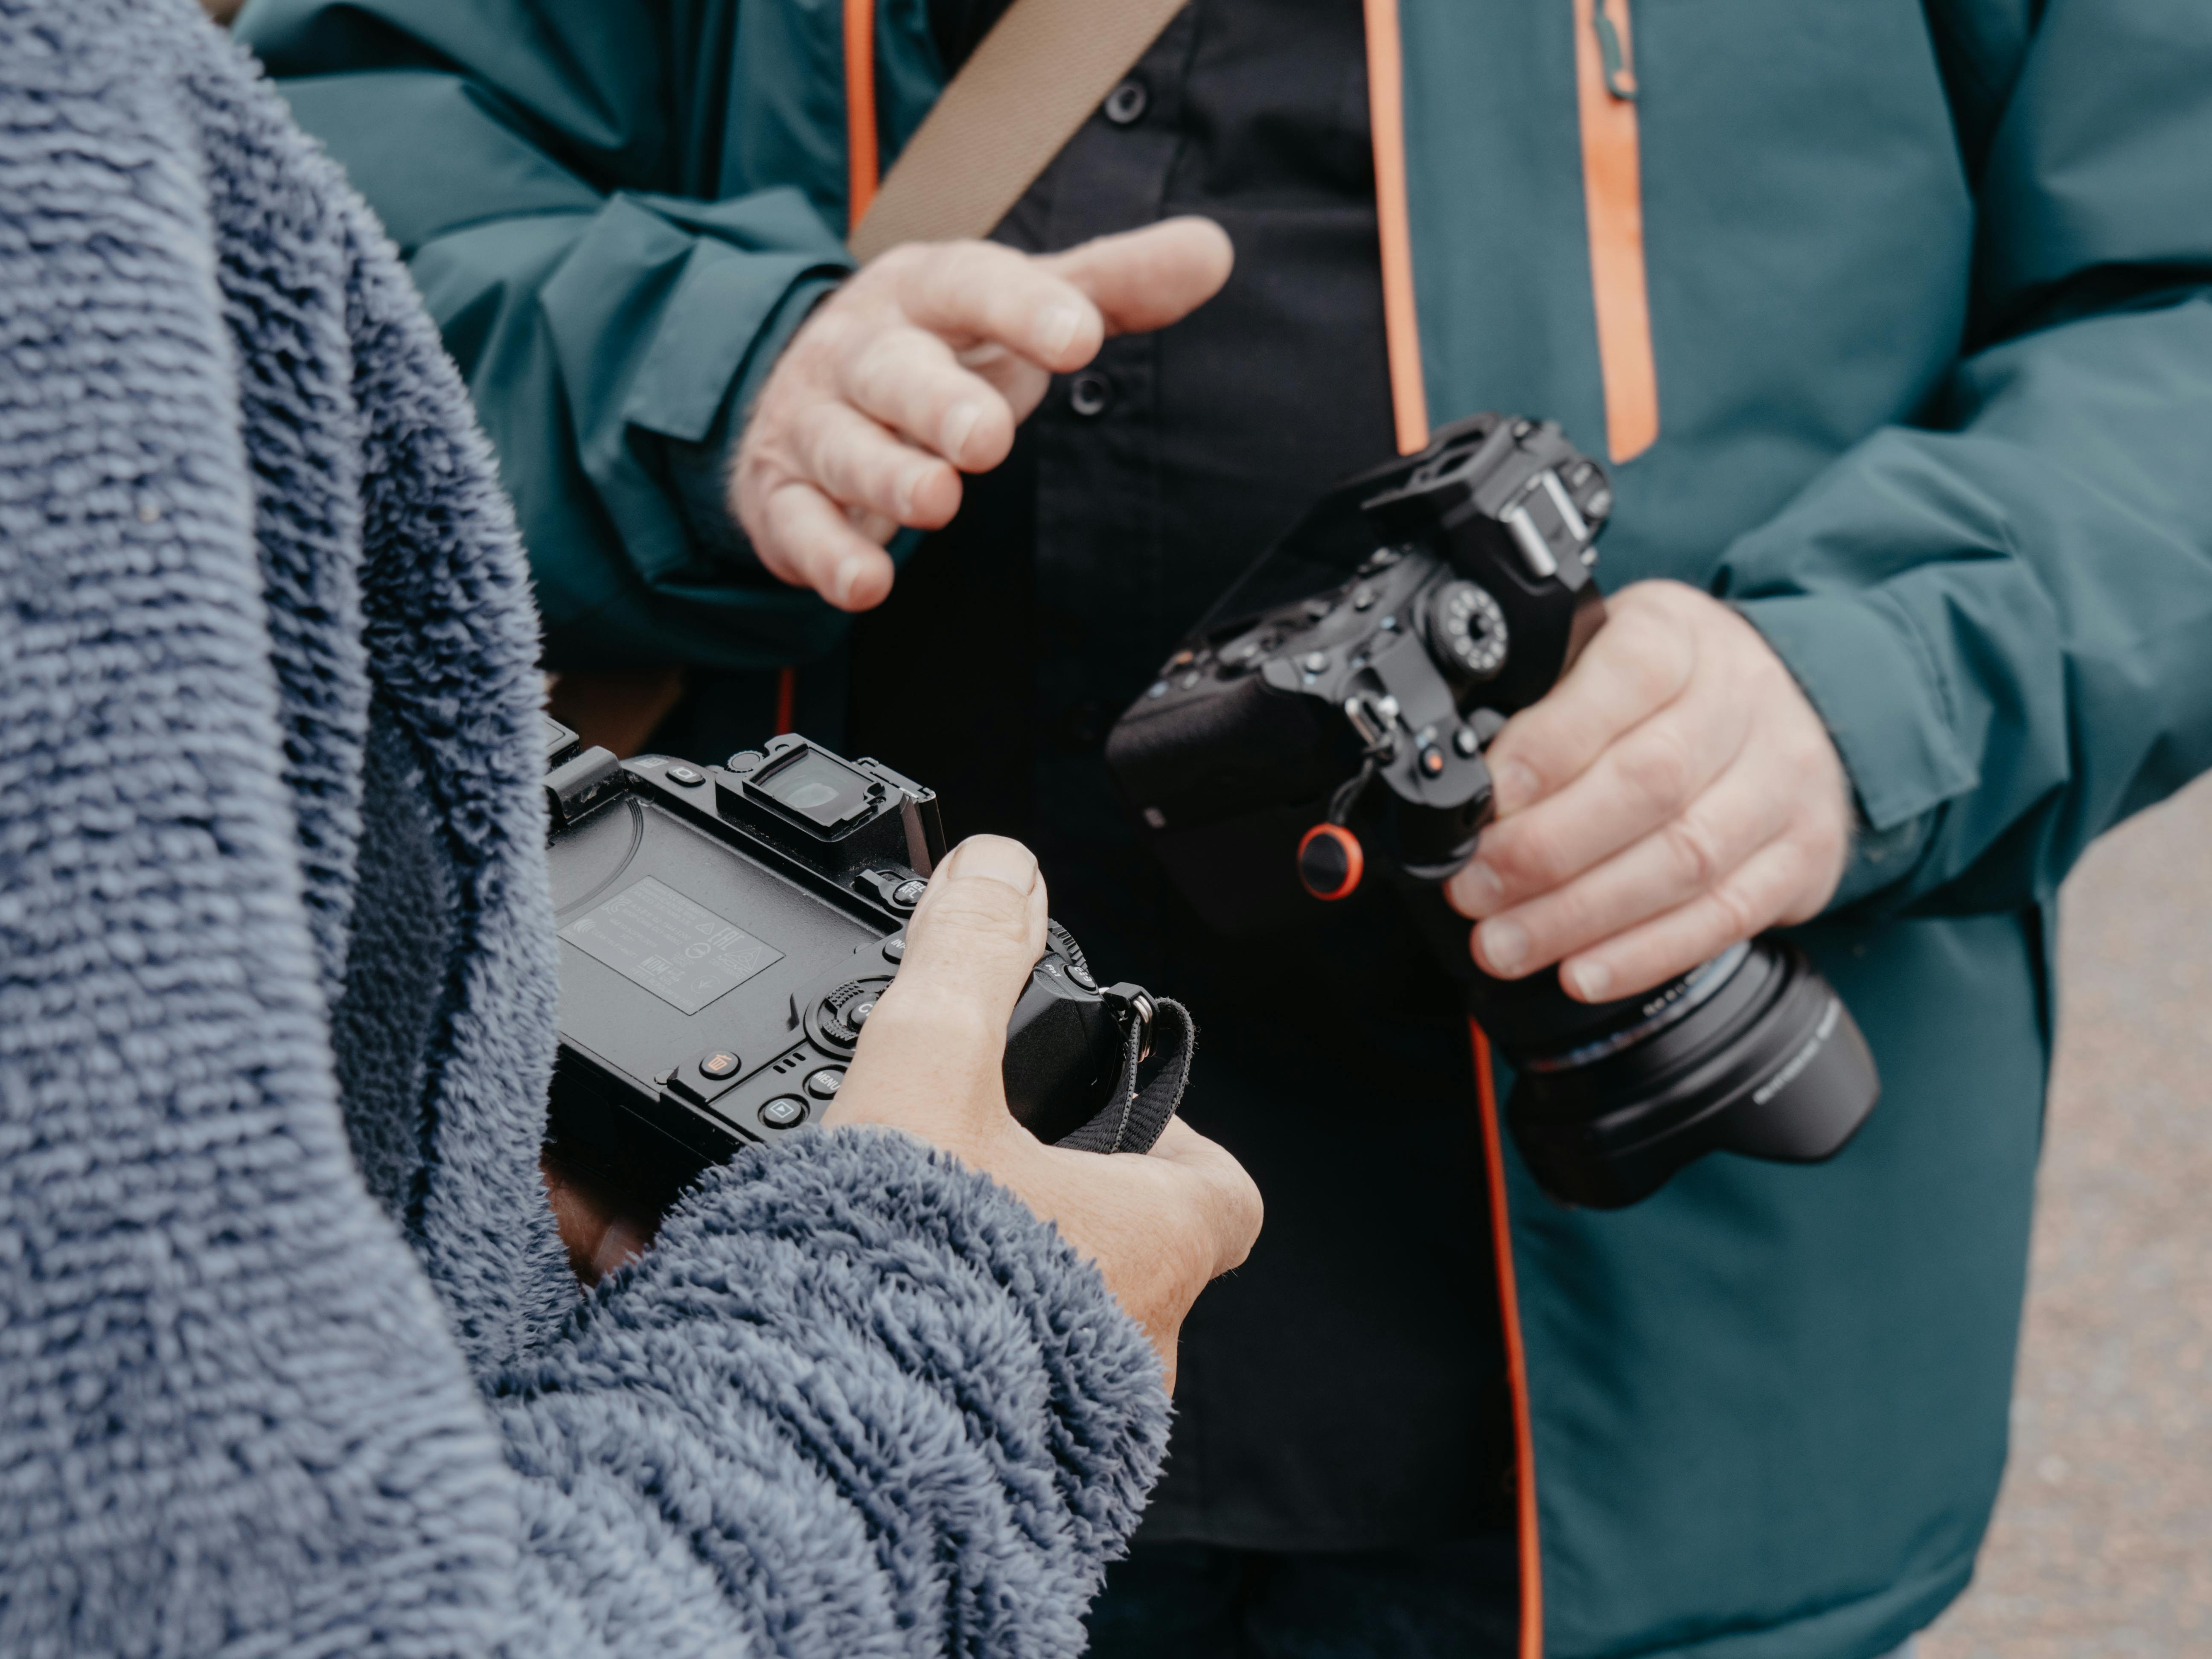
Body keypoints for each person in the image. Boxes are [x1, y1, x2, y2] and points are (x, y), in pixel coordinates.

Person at [233, 0, 2212, 1653]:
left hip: (1651, 1375)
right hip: (767, 1328)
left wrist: (1868, 689)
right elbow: (304, 202)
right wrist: (711, 382)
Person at [0, 3, 1263, 1654]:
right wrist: (712, 366)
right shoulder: (66, 147)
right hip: (682, 1350)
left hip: (1525, 1433)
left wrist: (1726, 652)